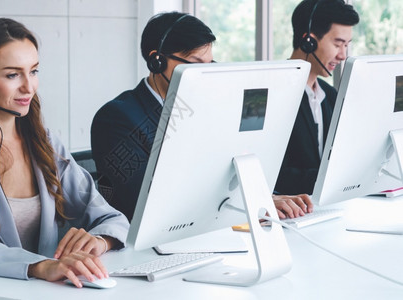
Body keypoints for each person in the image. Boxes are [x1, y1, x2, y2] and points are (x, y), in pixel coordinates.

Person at [0, 18, 129, 299]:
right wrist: (41, 266)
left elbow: (110, 216)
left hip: (40, 292)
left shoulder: (45, 142)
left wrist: (99, 240)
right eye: (12, 75)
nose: (28, 87)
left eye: (33, 71)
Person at [91, 12, 312, 221]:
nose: (205, 75)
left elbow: (230, 171)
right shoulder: (116, 119)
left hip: (215, 233)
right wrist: (250, 205)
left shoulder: (209, 109)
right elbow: (146, 204)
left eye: (210, 65)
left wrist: (266, 197)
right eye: (196, 64)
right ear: (156, 61)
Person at [275, 0, 359, 196]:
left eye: (347, 45)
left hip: (325, 208)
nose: (343, 55)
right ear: (309, 41)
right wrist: (334, 177)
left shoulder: (330, 96)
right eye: (338, 44)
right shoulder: (275, 95)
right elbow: (272, 173)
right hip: (289, 213)